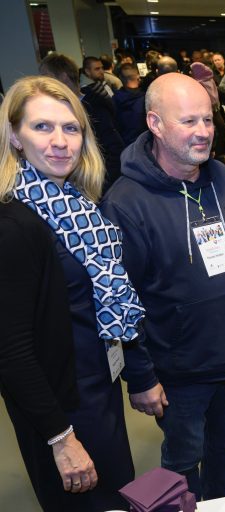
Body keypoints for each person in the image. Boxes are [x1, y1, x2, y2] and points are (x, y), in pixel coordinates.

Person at [99, 73, 225, 500]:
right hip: (177, 372)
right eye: (188, 121)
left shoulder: (222, 176)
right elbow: (118, 299)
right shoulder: (125, 203)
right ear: (155, 123)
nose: (203, 132)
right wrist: (141, 376)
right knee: (185, 461)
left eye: (208, 119)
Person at [0, 75, 144, 511]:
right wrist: (62, 441)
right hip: (62, 412)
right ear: (14, 137)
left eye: (71, 128)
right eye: (42, 127)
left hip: (97, 387)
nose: (60, 141)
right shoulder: (14, 224)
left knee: (119, 496)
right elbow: (11, 351)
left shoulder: (74, 205)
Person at [40, 53, 125, 191]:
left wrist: (96, 190)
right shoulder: (69, 107)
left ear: (63, 77)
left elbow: (114, 152)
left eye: (46, 78)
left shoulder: (94, 108)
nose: (43, 84)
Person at [190, 62, 225, 165]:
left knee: (216, 161)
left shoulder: (200, 85)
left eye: (192, 71)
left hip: (211, 119)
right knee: (220, 159)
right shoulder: (211, 81)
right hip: (218, 117)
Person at [112, 63, 147, 145]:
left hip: (123, 144)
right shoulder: (145, 98)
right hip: (143, 143)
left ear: (120, 78)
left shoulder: (114, 99)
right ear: (138, 77)